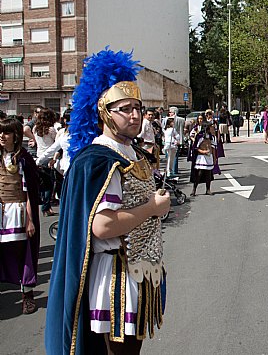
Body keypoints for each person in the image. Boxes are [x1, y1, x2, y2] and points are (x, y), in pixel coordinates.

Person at [45, 48, 170, 354]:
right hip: (114, 279)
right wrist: (152, 208)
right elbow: (102, 226)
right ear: (104, 112)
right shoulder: (99, 160)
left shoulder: (131, 153)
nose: (135, 115)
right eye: (125, 109)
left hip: (138, 272)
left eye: (138, 107)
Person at [0, 118, 40, 314]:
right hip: (1, 211)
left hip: (18, 211)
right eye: (0, 132)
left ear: (15, 136)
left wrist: (30, 220)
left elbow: (29, 192)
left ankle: (27, 294)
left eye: (6, 132)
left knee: (22, 254)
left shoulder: (23, 158)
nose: (2, 136)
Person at [34, 108, 57, 217]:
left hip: (39, 156)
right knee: (49, 184)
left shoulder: (35, 129)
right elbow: (56, 143)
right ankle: (46, 207)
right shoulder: (51, 130)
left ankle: (45, 205)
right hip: (49, 157)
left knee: (43, 184)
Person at [188, 123, 220, 196]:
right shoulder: (200, 136)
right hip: (201, 157)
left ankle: (208, 190)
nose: (213, 129)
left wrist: (215, 158)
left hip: (209, 157)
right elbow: (196, 147)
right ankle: (194, 190)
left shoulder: (212, 137)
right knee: (199, 174)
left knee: (208, 174)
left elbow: (213, 148)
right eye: (211, 127)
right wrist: (203, 151)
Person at [167, 107, 185, 176]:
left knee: (170, 157)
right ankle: (175, 170)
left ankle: (172, 171)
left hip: (171, 139)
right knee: (176, 156)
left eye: (170, 112)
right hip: (179, 138)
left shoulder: (169, 119)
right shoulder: (181, 119)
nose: (169, 113)